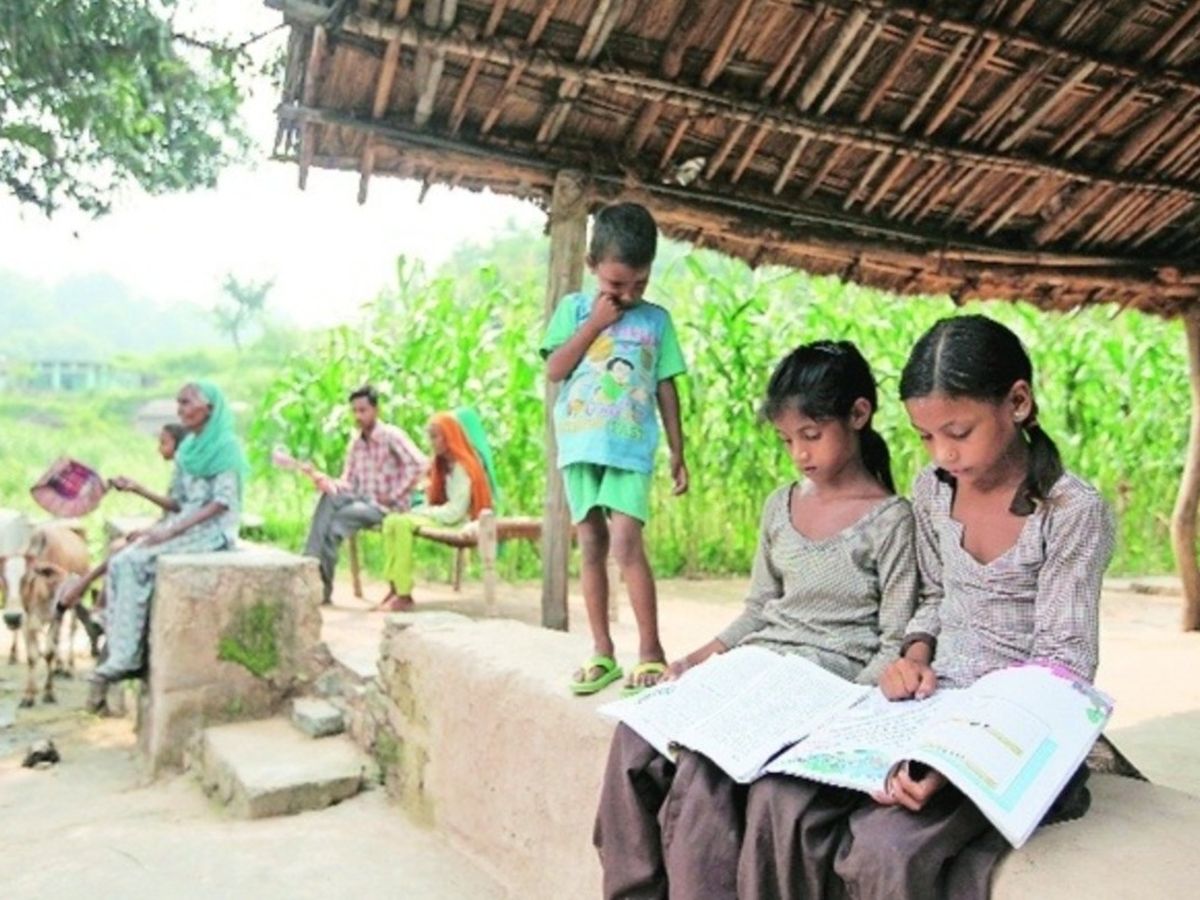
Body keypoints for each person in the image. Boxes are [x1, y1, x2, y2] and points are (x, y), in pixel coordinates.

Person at [739, 315, 1117, 900]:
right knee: (778, 796)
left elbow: (1062, 665)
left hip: (1015, 731)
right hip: (932, 705)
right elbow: (936, 597)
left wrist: (957, 758)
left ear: (1018, 403)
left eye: (958, 432)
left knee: (885, 849)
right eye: (925, 436)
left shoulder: (1070, 510)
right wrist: (914, 657)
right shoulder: (934, 488)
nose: (943, 452)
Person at [594, 340, 918, 900]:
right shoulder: (780, 505)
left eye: (811, 435)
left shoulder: (891, 521)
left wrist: (845, 711)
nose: (799, 453)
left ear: (859, 414)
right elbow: (759, 610)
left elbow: (893, 641)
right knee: (636, 736)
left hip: (825, 682)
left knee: (705, 774)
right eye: (787, 440)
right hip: (755, 669)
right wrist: (695, 660)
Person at [541, 202, 688, 696]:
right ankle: (602, 651)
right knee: (591, 545)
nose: (627, 295)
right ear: (592, 267)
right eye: (616, 284)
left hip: (629, 447)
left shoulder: (657, 322)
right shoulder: (574, 311)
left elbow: (666, 386)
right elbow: (555, 369)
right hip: (580, 444)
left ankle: (650, 652)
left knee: (625, 543)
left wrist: (678, 451)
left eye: (639, 284)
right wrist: (594, 324)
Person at [61, 382, 249, 714]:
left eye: (187, 402)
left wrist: (170, 531)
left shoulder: (226, 447)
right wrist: (142, 498)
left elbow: (222, 503)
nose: (180, 409)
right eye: (179, 403)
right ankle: (120, 647)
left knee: (136, 562)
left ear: (209, 408)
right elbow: (177, 503)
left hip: (213, 530)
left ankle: (126, 656)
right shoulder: (188, 450)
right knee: (122, 558)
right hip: (185, 523)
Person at [303, 385, 428, 604]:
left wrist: (394, 493)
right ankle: (320, 584)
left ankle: (309, 565)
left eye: (363, 410)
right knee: (329, 507)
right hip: (361, 501)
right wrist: (326, 481)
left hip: (386, 506)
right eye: (354, 411)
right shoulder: (356, 444)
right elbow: (348, 484)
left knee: (335, 522)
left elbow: (419, 465)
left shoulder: (391, 436)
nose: (358, 416)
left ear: (376, 410)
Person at [376, 411, 493, 612]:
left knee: (402, 523)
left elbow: (456, 512)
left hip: (458, 522)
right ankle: (393, 585)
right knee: (391, 520)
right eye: (430, 437)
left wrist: (422, 513)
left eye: (435, 436)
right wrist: (422, 510)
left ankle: (404, 593)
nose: (432, 442)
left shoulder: (462, 467)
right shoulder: (443, 465)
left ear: (449, 437)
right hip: (444, 516)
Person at [107, 422, 189, 515]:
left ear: (179, 444)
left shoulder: (187, 470)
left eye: (163, 443)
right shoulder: (179, 468)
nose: (159, 449)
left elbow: (176, 505)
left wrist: (139, 489)